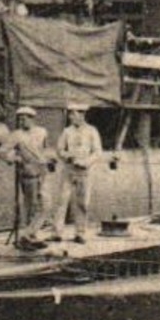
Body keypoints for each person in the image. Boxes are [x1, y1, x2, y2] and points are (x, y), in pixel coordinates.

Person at [53, 103, 104, 242]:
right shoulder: (67, 132)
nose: (71, 117)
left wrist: (86, 162)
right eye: (70, 114)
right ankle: (57, 232)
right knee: (62, 200)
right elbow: (59, 149)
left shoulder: (92, 131)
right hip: (68, 170)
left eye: (73, 114)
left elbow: (98, 152)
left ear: (81, 115)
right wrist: (66, 156)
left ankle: (80, 233)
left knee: (82, 203)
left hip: (84, 171)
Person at [0, 105, 49, 240]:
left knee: (46, 205)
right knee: (31, 206)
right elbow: (1, 153)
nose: (22, 122)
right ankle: (30, 235)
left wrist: (47, 159)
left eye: (25, 119)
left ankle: (30, 232)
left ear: (32, 119)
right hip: (28, 174)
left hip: (42, 172)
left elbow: (44, 150)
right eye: (20, 119)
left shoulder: (42, 132)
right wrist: (15, 158)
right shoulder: (16, 135)